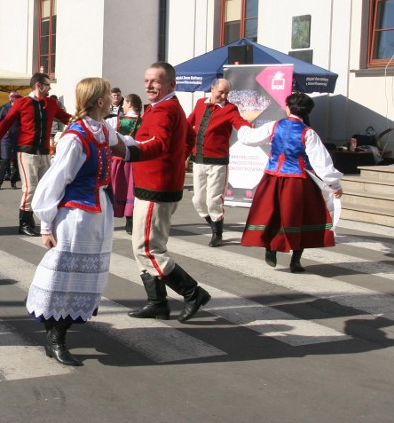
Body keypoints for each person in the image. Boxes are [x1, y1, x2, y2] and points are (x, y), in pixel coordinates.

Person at [26, 77, 125, 366]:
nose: (112, 98)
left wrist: (154, 147)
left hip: (98, 215)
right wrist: (45, 224)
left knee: (86, 279)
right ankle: (55, 338)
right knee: (62, 278)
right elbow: (54, 182)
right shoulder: (75, 137)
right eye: (108, 94)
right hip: (76, 217)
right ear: (98, 101)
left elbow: (125, 144)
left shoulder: (103, 129)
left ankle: (59, 334)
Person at [122, 62, 211, 323]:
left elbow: (159, 144)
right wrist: (176, 161)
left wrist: (128, 151)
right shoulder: (163, 107)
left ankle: (193, 292)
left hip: (156, 187)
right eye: (147, 80)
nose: (149, 85)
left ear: (171, 85)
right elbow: (189, 138)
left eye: (156, 81)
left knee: (148, 248)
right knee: (142, 246)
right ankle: (157, 302)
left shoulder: (165, 110)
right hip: (154, 183)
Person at [235, 92, 343, 272]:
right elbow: (321, 162)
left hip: (272, 178)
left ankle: (271, 247)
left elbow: (249, 138)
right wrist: (335, 185)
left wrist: (242, 125)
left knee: (272, 213)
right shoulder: (308, 133)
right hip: (297, 181)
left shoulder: (274, 125)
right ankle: (295, 261)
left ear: (288, 108)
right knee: (300, 217)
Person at [0, 73, 72, 236]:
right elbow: (5, 123)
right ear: (39, 85)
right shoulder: (22, 102)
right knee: (30, 188)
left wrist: (85, 121)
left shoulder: (51, 103)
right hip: (26, 152)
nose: (50, 88)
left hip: (45, 152)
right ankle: (24, 222)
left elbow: (66, 118)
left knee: (46, 188)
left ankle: (34, 218)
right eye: (47, 85)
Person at [187, 78, 252, 247]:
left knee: (213, 200)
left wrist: (249, 130)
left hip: (217, 161)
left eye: (227, 93)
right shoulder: (201, 103)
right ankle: (213, 223)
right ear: (212, 88)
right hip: (199, 159)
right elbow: (189, 123)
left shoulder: (230, 109)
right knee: (198, 200)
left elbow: (240, 122)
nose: (223, 96)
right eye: (221, 92)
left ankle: (218, 233)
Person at [108, 93, 143, 234]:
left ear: (129, 104)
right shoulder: (143, 121)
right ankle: (130, 221)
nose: (122, 105)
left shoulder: (117, 120)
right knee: (131, 191)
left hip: (119, 160)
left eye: (124, 103)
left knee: (116, 189)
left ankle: (109, 222)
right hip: (135, 161)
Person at [0, 92, 22, 190]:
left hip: (18, 138)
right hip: (6, 138)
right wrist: (4, 131)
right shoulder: (5, 109)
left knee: (16, 162)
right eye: (14, 101)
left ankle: (13, 181)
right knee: (5, 160)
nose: (15, 103)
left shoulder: (21, 110)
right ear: (11, 100)